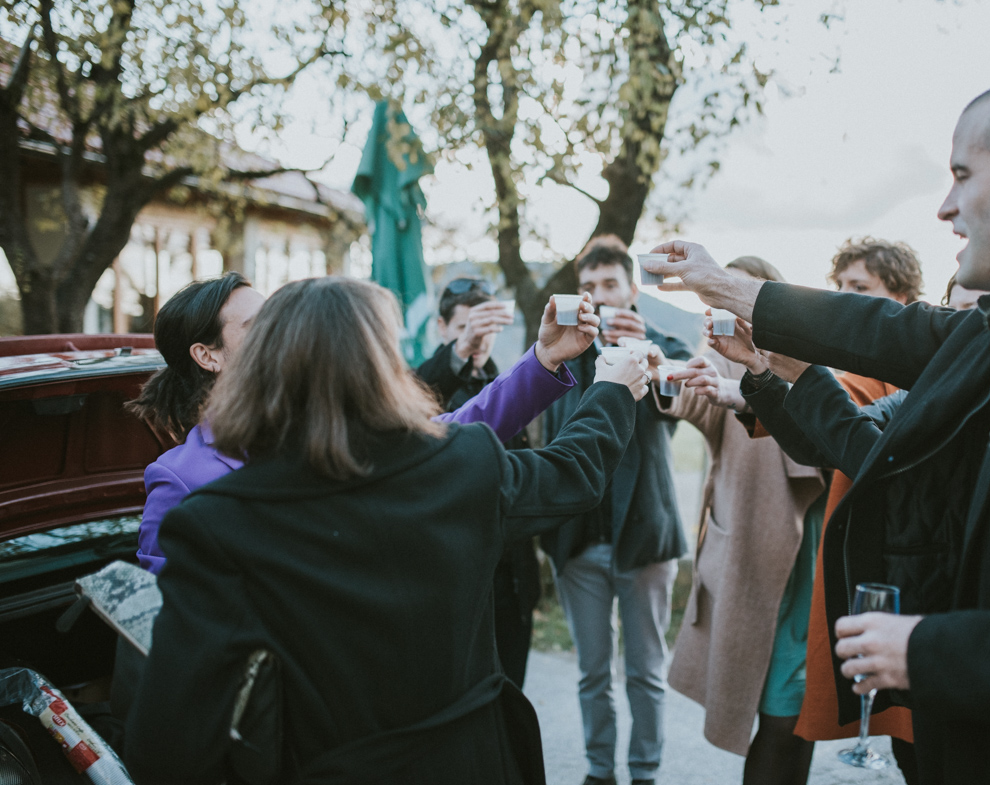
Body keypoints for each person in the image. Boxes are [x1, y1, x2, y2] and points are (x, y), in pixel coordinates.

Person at [642, 66, 990, 784]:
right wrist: (724, 284)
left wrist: (927, 649)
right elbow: (883, 331)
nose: (944, 206)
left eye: (963, 174)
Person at [123, 276, 653, 784]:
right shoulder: (192, 493)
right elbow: (568, 472)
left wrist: (543, 361)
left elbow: (170, 743)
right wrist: (611, 391)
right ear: (382, 362)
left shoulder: (219, 521)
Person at [129, 273, 597, 575]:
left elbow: (448, 429)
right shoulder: (179, 478)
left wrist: (544, 358)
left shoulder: (325, 425)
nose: (281, 335)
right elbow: (169, 618)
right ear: (208, 355)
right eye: (259, 326)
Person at [698, 240, 927, 784]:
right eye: (841, 287)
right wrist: (748, 385)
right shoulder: (844, 369)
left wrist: (754, 383)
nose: (846, 298)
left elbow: (842, 416)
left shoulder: (923, 372)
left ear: (902, 299)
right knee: (797, 717)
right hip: (833, 558)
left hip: (897, 565)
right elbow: (828, 422)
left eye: (861, 289)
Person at [650, 257, 825, 785]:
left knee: (795, 708)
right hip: (750, 544)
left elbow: (828, 438)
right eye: (721, 297)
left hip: (807, 546)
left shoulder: (805, 359)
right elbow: (691, 402)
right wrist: (664, 374)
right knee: (770, 702)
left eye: (743, 294)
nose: (729, 306)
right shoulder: (719, 357)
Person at [539, 235, 692, 785]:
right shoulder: (566, 352)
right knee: (591, 672)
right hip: (578, 537)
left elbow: (681, 395)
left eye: (609, 285)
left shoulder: (661, 343)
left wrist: (653, 356)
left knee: (647, 672)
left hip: (645, 533)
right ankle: (599, 773)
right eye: (589, 287)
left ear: (631, 289)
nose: (599, 296)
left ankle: (645, 773)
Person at [416, 278, 540, 687]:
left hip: (510, 576)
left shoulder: (507, 384)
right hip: (452, 574)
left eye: (484, 328)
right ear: (441, 328)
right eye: (465, 328)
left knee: (511, 691)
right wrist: (462, 349)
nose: (477, 338)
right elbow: (418, 408)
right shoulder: (419, 385)